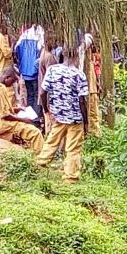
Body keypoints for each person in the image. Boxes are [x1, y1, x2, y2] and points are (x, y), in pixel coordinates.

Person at [37, 46, 89, 183]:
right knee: (73, 148)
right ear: (77, 57)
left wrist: (47, 109)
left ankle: (41, 162)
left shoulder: (52, 70)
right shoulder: (79, 75)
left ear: (62, 55)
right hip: (75, 118)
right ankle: (70, 177)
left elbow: (42, 93)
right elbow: (82, 100)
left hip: (58, 114)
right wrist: (86, 122)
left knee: (53, 139)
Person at [0, 67, 44, 155]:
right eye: (13, 80)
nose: (13, 84)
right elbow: (5, 115)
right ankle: (41, 157)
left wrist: (15, 109)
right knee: (34, 132)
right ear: (7, 77)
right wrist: (24, 120)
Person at [14, 24, 44, 119]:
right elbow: (41, 52)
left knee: (30, 94)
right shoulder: (40, 36)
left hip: (25, 71)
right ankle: (36, 116)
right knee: (36, 94)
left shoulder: (24, 35)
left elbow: (15, 50)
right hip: (34, 71)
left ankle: (30, 115)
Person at [81, 33, 101, 137]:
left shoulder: (90, 60)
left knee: (94, 114)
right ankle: (88, 134)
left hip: (92, 90)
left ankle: (95, 135)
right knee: (90, 114)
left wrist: (98, 84)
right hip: (87, 90)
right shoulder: (83, 59)